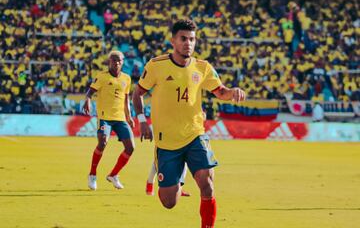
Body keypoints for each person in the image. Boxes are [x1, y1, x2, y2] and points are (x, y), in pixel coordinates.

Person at [132, 19, 246, 228]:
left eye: (192, 39)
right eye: (183, 39)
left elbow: (220, 91)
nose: (188, 43)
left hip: (195, 135)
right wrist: (142, 121)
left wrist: (233, 92)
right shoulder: (156, 65)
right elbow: (137, 93)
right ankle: (168, 179)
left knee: (207, 185)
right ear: (173, 41)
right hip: (166, 142)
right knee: (169, 201)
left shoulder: (203, 68)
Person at [83, 50, 135, 190]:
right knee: (103, 142)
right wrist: (87, 100)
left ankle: (113, 175)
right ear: (109, 62)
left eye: (119, 60)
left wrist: (129, 117)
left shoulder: (126, 79)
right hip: (105, 117)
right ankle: (92, 175)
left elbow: (126, 99)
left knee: (131, 148)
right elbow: (90, 93)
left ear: (123, 62)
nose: (116, 63)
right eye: (114, 60)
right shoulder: (102, 77)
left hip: (120, 118)